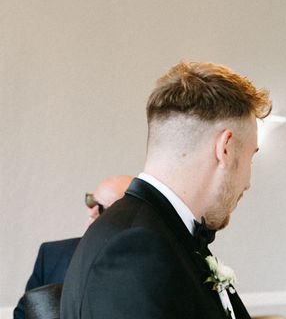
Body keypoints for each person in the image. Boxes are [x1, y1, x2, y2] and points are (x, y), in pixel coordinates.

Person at [61, 61, 271, 319]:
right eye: (251, 156)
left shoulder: (159, 232)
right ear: (225, 148)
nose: (248, 182)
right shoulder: (136, 249)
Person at [14, 175, 133, 319]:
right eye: (91, 201)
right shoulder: (51, 255)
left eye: (103, 209)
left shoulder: (142, 264)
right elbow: (23, 314)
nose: (92, 212)